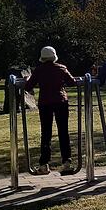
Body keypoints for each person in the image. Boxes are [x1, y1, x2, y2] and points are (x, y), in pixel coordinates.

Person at [24, 46, 75, 175]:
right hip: (61, 101)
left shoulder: (39, 70)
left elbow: (28, 86)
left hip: (45, 103)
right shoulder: (62, 68)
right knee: (63, 132)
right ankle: (67, 161)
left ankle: (44, 164)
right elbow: (72, 82)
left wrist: (27, 80)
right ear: (54, 57)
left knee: (46, 133)